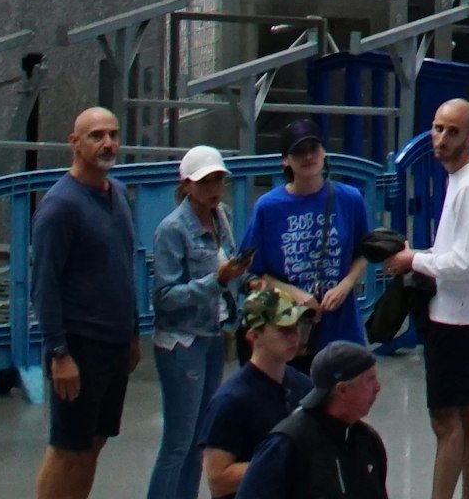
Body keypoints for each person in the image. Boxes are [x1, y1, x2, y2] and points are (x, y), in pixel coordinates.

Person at [373, 97, 469, 499]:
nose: (441, 139)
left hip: (455, 318)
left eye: (452, 131)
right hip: (461, 312)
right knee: (468, 411)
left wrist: (414, 259)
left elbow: (464, 263)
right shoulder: (463, 182)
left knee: (448, 420)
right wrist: (420, 256)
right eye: (438, 128)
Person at [30, 106, 141, 499]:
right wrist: (59, 352)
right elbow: (44, 284)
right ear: (74, 144)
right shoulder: (61, 206)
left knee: (95, 441)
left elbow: (123, 266)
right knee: (67, 447)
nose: (108, 143)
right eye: (96, 136)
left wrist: (132, 333)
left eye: (113, 134)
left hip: (113, 344)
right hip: (79, 345)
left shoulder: (120, 194)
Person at [148, 143, 246, 499]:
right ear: (187, 185)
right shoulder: (172, 230)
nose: (214, 188)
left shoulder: (224, 217)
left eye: (219, 180)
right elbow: (165, 298)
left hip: (212, 336)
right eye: (205, 182)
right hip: (181, 342)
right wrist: (216, 281)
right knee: (178, 441)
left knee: (198, 440)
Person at [243, 124, 371, 355]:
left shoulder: (350, 199)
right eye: (299, 151)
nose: (309, 156)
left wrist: (346, 284)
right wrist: (294, 293)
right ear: (286, 161)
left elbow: (363, 252)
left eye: (314, 148)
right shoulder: (268, 207)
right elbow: (254, 270)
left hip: (341, 325)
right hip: (289, 326)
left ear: (324, 153)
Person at [199, 282, 313, 499]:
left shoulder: (304, 386)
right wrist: (284, 461)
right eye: (283, 329)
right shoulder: (231, 400)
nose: (294, 336)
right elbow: (218, 480)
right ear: (253, 336)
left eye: (297, 327)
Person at [237, 342, 387, 499]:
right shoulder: (287, 445)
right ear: (342, 389)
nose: (378, 387)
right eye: (370, 379)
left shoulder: (367, 441)